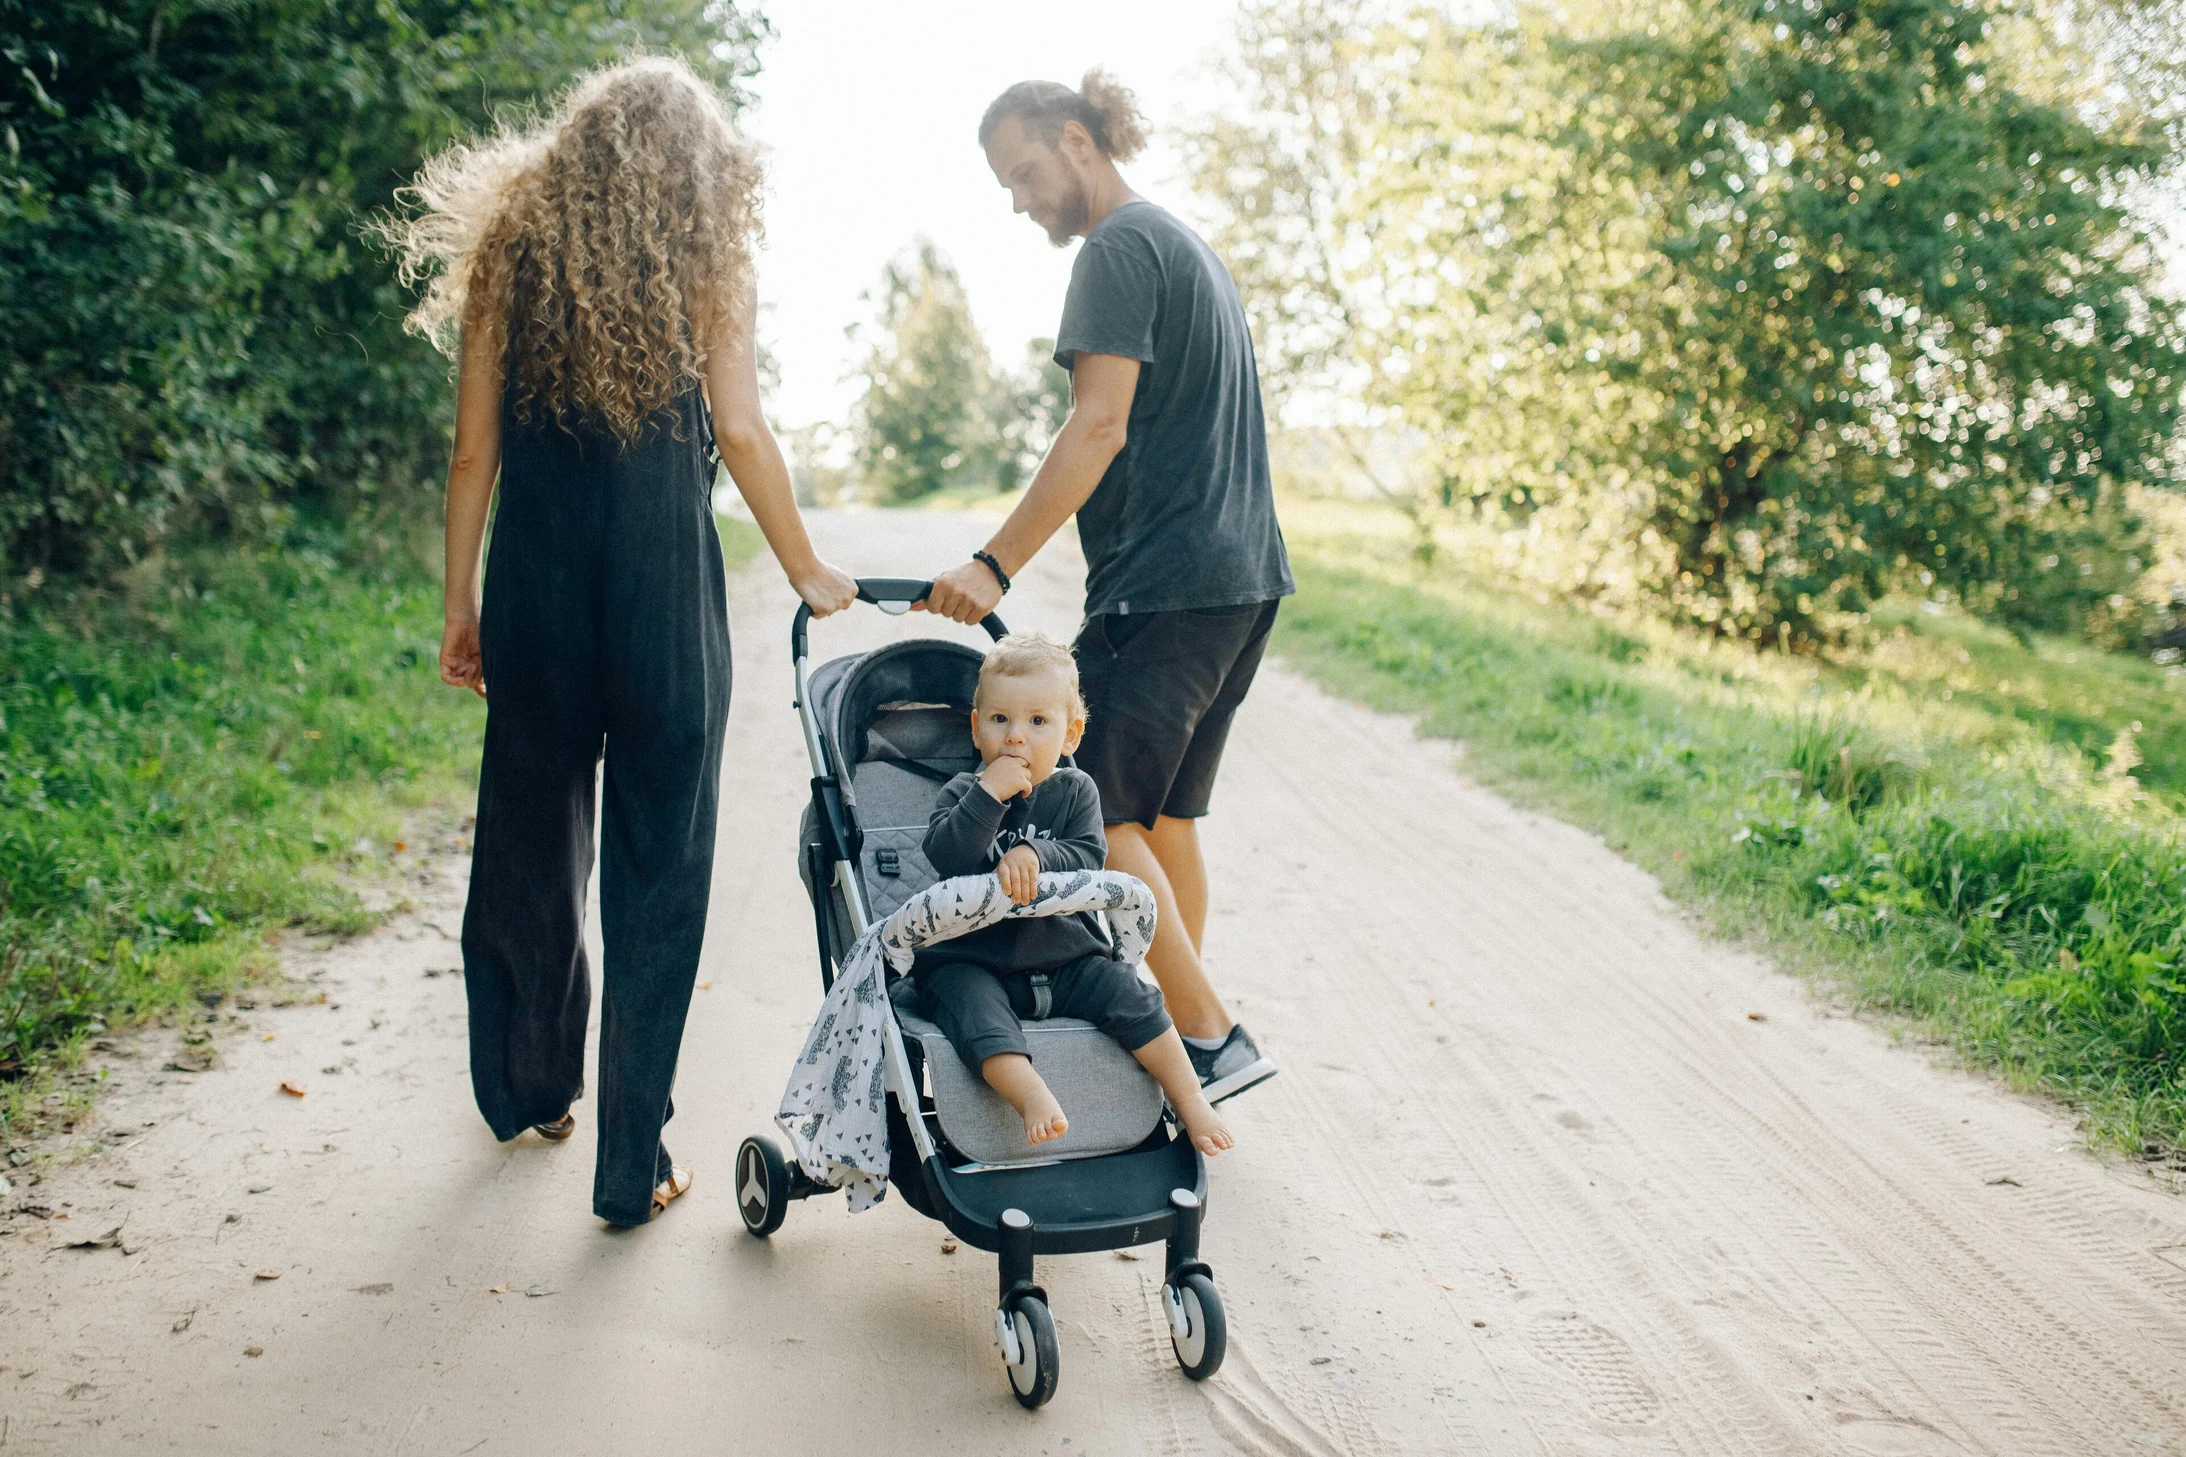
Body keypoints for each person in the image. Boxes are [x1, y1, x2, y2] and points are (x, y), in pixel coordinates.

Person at [386, 58, 857, 1227]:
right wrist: (803, 564)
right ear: (704, 170)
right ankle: (628, 1163)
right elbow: (739, 426)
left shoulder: (512, 246)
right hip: (660, 596)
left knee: (533, 841)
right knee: (660, 864)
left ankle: (535, 1087)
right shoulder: (706, 251)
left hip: (537, 590)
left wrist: (458, 603)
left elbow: (469, 454)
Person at [919, 70, 1293, 1104]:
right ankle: (1174, 1030)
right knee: (1166, 819)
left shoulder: (1115, 251)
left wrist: (992, 562)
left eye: (1024, 171)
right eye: (1005, 183)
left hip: (1164, 585)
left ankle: (1208, 1038)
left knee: (1107, 805)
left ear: (1077, 142)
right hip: (1239, 580)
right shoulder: (1184, 245)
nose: (1019, 199)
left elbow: (1097, 423)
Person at [915, 636, 1234, 1156]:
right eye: (1000, 720)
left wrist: (1037, 855)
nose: (1016, 737)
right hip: (976, 959)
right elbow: (947, 856)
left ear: (1071, 734)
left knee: (1135, 997)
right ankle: (1031, 1094)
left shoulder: (1076, 790)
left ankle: (1191, 1100)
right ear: (976, 729)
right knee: (965, 1004)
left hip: (1066, 956)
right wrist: (987, 795)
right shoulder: (961, 794)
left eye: (1038, 722)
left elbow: (1088, 855)